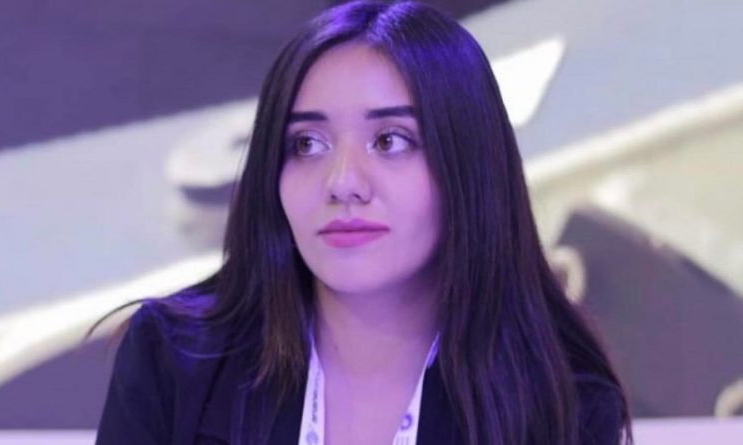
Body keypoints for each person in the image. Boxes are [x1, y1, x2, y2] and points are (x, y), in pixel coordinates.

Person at [95, 1, 632, 444]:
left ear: (468, 165)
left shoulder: (564, 404)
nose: (343, 181)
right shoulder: (175, 361)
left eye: (390, 140)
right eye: (307, 144)